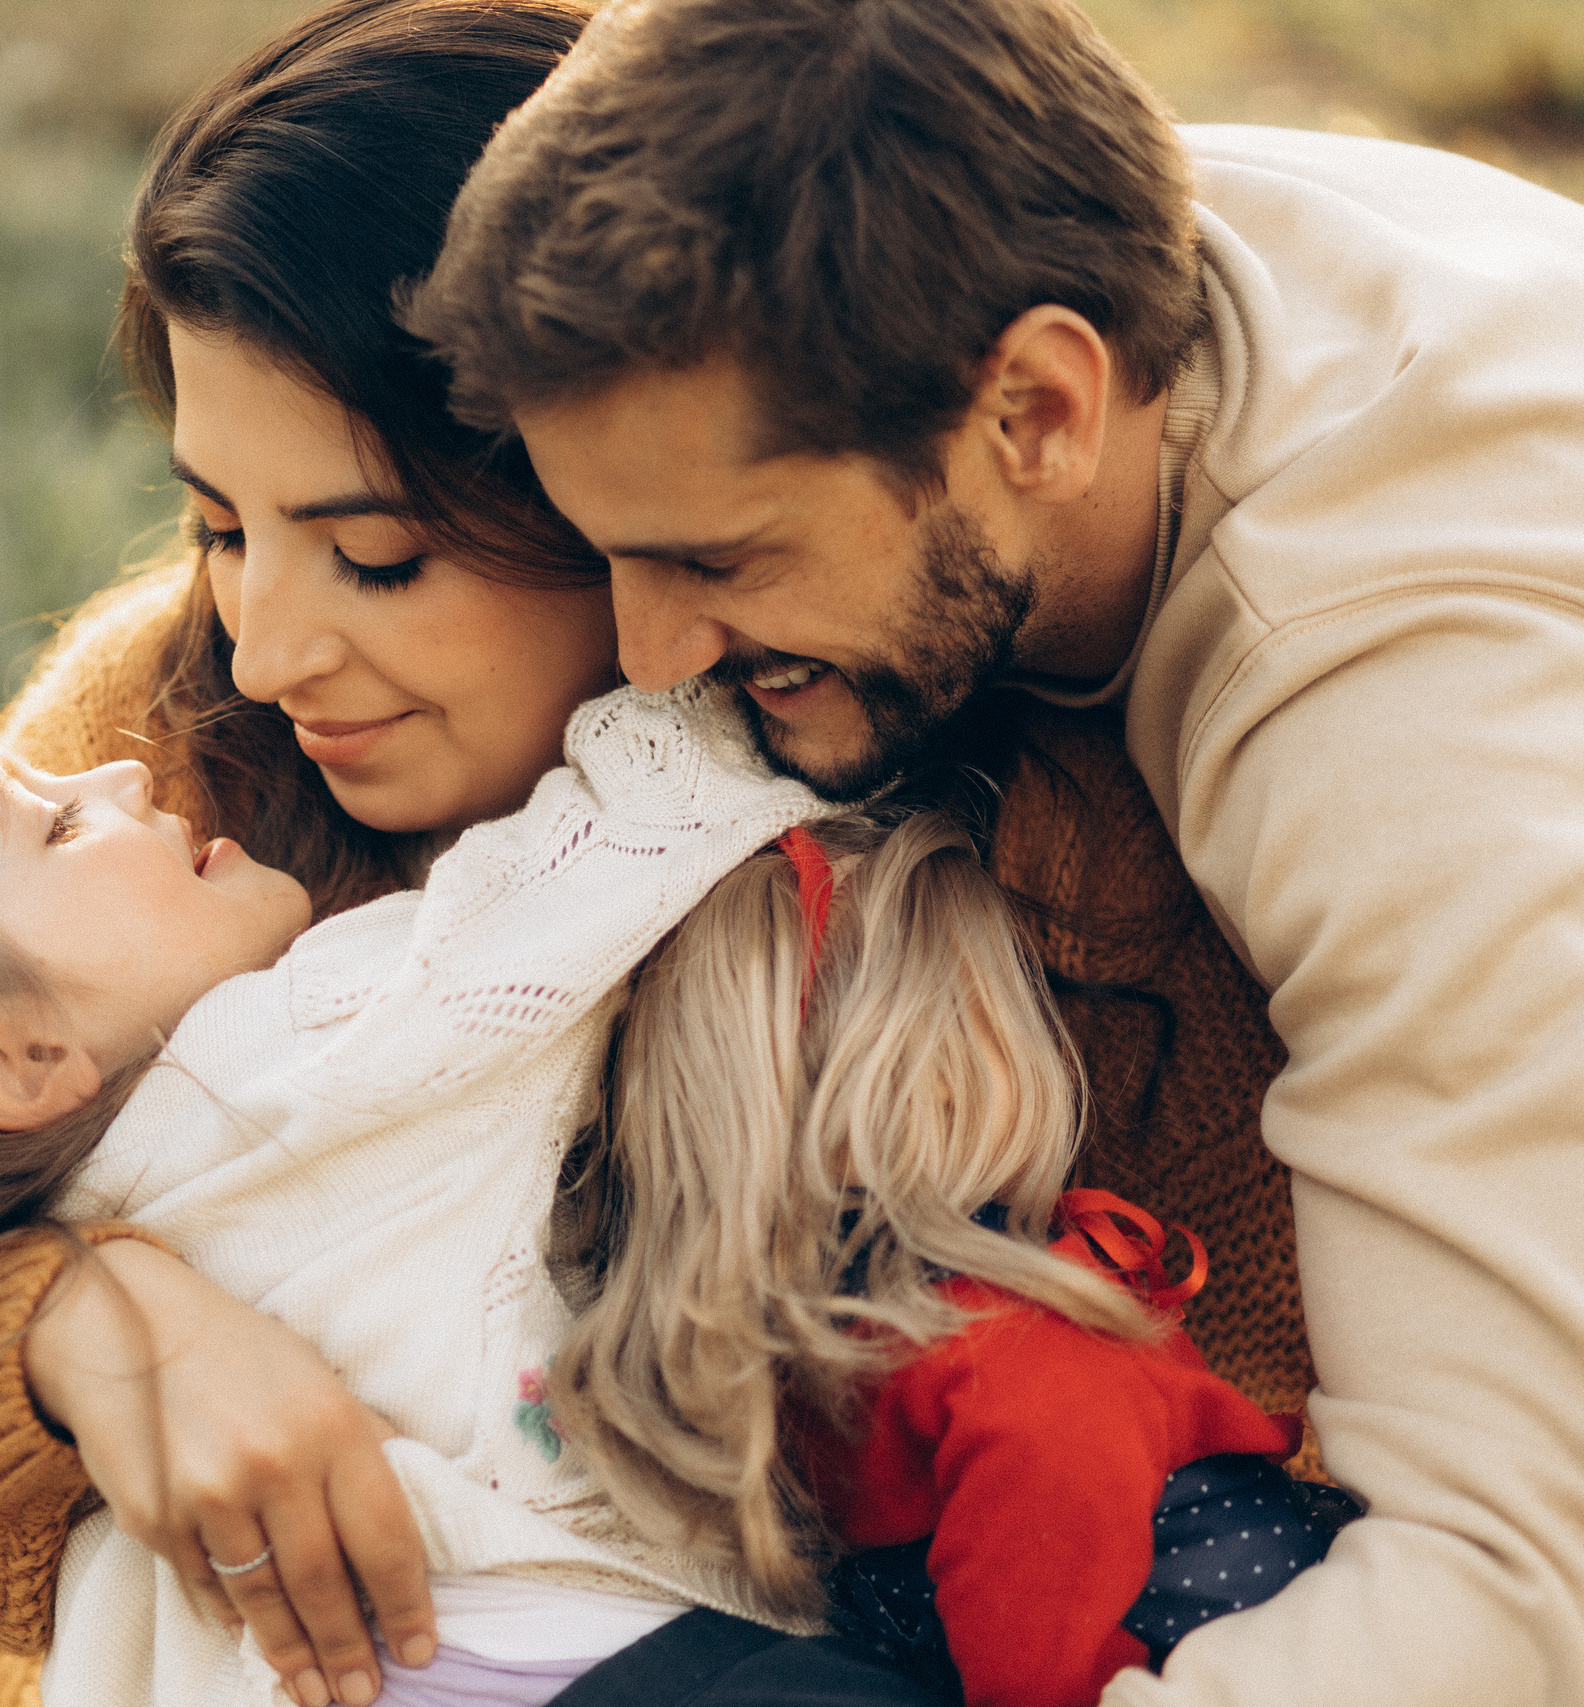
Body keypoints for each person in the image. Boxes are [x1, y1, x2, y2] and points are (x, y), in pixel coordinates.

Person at [0, 4, 1322, 1705]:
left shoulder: (1051, 826)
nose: (265, 648)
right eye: (222, 527)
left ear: (612, 474)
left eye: (375, 556)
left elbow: (1333, 1445)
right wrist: (81, 1326)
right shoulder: (183, 753)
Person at [401, 0, 1584, 1700]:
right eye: (609, 552)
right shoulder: (1035, 270)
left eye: (719, 558)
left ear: (1038, 408)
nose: (647, 651)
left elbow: (1515, 1597)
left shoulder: (1413, 725)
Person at [0, 681, 898, 1705]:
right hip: (531, 1647)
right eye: (57, 817)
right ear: (22, 1060)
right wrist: (695, 703)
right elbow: (586, 875)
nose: (123, 763)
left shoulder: (0, 1209)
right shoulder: (294, 1044)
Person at [558, 813, 1354, 1707]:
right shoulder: (1003, 1350)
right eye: (1018, 1018)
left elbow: (1025, 1614)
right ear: (936, 1074)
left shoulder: (910, 1348)